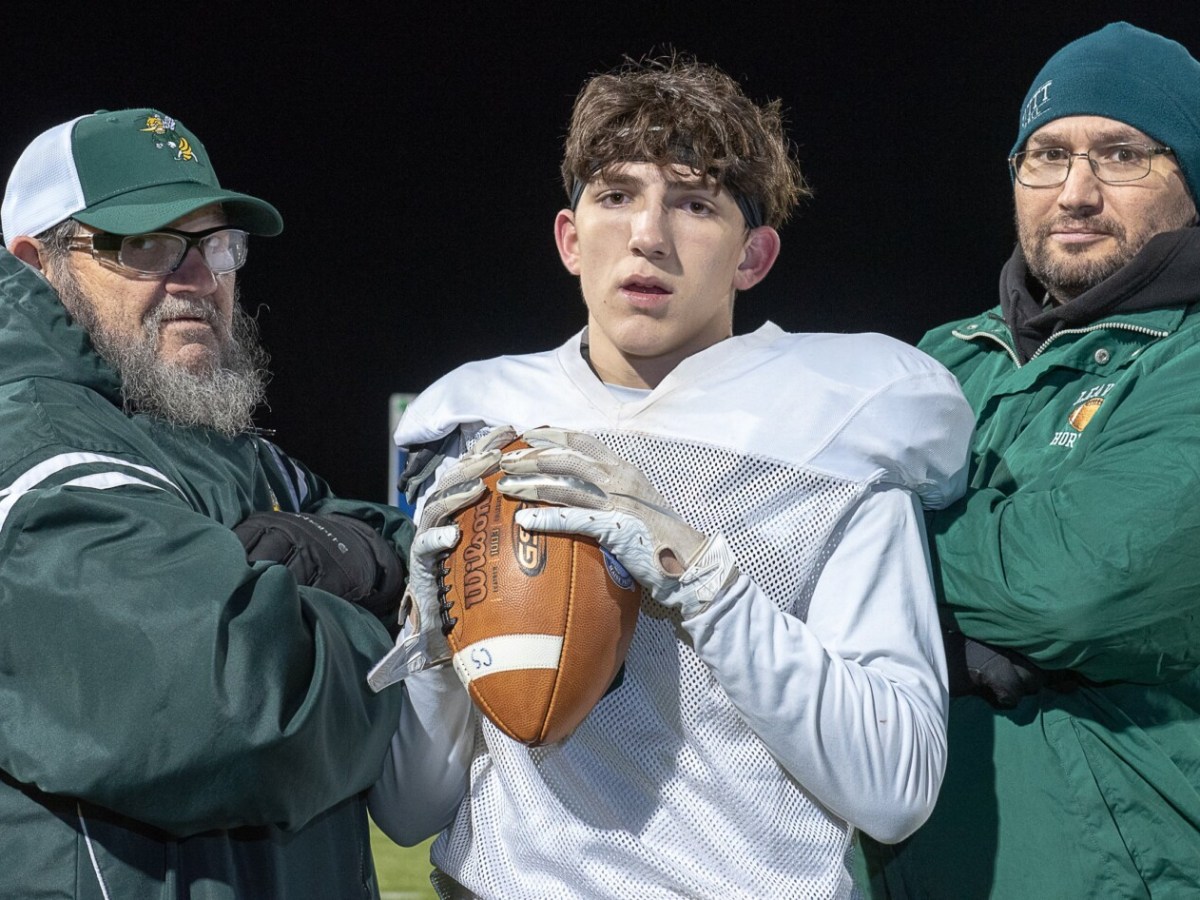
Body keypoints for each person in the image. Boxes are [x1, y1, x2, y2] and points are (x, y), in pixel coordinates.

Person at [367, 56, 975, 899]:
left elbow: (896, 789)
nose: (648, 234)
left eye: (694, 204)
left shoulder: (832, 434)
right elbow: (407, 812)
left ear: (753, 256)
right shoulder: (486, 430)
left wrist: (706, 585)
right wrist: (435, 654)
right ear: (570, 239)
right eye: (617, 195)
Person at [0, 109, 412, 899]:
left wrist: (366, 562)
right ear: (37, 262)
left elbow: (403, 542)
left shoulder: (224, 444)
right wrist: (403, 633)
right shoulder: (30, 448)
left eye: (216, 244)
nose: (198, 278)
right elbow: (250, 712)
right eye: (146, 243)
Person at [860, 22, 1200, 899]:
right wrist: (962, 627)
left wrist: (883, 570)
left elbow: (1078, 582)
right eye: (1047, 156)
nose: (1076, 192)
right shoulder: (939, 358)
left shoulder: (1187, 359)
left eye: (1121, 155)